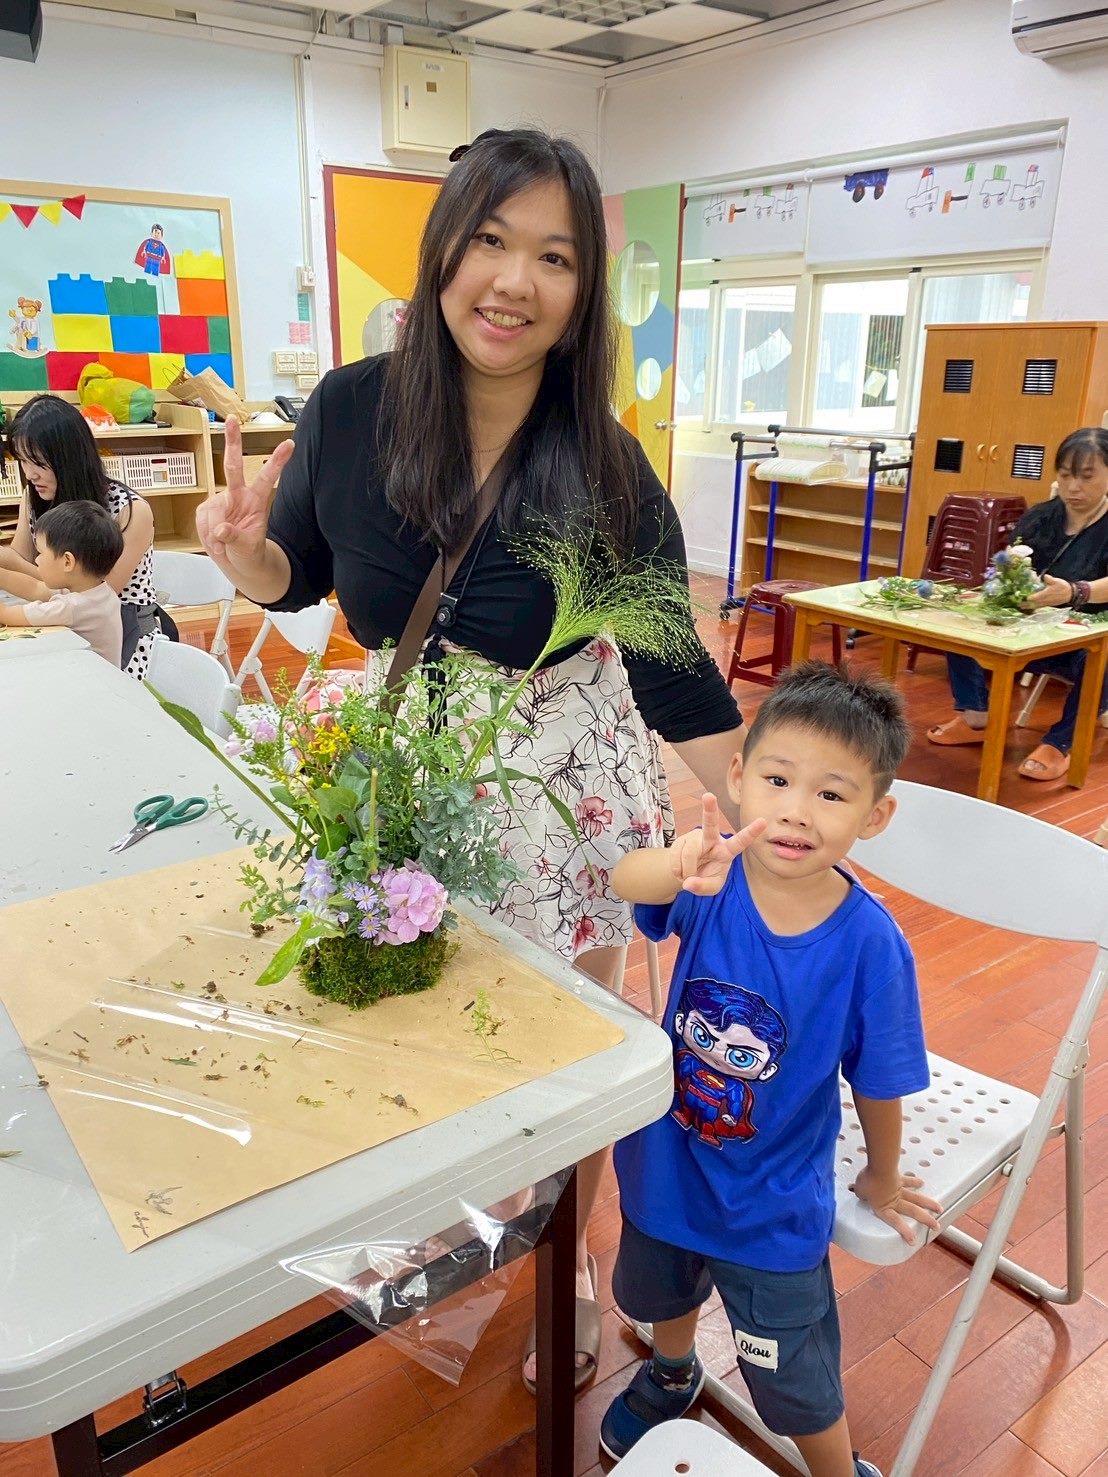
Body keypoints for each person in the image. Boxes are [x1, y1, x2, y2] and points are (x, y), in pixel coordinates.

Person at [194, 127, 746, 1389]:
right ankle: (453, 1223)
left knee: (568, 1054)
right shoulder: (350, 408)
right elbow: (301, 576)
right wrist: (243, 557)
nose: (513, 281)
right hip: (407, 766)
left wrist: (779, 805)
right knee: (429, 1024)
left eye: (554, 256)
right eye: (491, 239)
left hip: (563, 780)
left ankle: (566, 1262)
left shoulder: (604, 465)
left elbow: (673, 672)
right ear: (444, 250)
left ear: (581, 292)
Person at [601, 662, 941, 1475]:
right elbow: (623, 881)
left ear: (875, 814)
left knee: (792, 1377)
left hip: (771, 1203)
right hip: (665, 1164)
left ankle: (835, 1468)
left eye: (831, 793)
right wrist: (677, 861)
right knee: (661, 1293)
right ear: (738, 777)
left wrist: (882, 1173)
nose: (795, 809)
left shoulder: (870, 943)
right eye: (778, 779)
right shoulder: (711, 880)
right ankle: (673, 1369)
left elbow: (880, 1077)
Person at [928, 427, 1108, 782]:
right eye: (1065, 475)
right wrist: (1009, 583)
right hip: (1031, 630)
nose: (1073, 487)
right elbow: (1011, 565)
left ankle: (1061, 743)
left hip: (1084, 639)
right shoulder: (1040, 517)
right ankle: (976, 716)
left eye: (1087, 477)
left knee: (1104, 654)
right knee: (961, 617)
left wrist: (1075, 592)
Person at [0, 395, 161, 678]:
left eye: (38, 462)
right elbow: (21, 558)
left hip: (125, 639)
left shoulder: (130, 510)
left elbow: (88, 588)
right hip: (64, 627)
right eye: (23, 461)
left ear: (70, 457)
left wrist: (12, 565)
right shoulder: (34, 495)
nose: (30, 474)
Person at [0, 500, 124, 666]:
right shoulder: (97, 591)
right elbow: (35, 588)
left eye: (41, 553)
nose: (37, 560)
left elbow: (7, 614)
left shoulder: (73, 607)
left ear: (67, 562)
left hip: (90, 679)